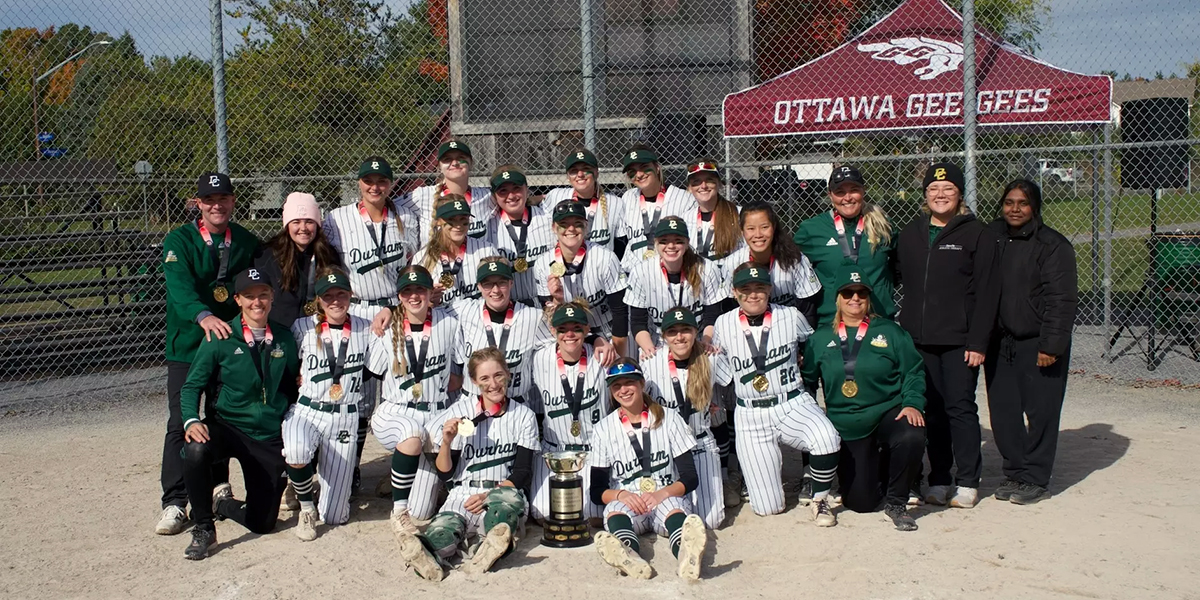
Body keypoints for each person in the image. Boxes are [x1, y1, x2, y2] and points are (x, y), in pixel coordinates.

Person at [157, 172, 259, 535]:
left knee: (221, 417)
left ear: (233, 201)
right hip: (188, 345)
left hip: (227, 347)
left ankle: (217, 486)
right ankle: (174, 501)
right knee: (180, 422)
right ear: (197, 204)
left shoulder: (246, 241)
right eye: (209, 200)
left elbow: (261, 284)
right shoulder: (179, 240)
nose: (217, 206)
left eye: (224, 199)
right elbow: (180, 290)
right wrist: (204, 317)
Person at [895, 162, 1000, 509]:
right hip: (918, 339)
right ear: (925, 195)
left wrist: (978, 342)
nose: (940, 195)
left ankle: (968, 480)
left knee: (960, 408)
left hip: (959, 341)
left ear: (959, 193)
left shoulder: (977, 234)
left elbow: (987, 293)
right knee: (933, 410)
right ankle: (939, 477)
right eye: (933, 190)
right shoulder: (910, 233)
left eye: (948, 189)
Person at [179, 268, 300, 560]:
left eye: (263, 295)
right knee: (196, 448)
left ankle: (223, 505)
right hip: (229, 426)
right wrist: (191, 420)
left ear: (272, 297)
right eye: (249, 296)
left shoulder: (285, 337)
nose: (256, 302)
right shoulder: (220, 336)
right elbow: (191, 386)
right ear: (237, 299)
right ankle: (204, 527)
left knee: (263, 523)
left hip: (268, 434)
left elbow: (295, 383)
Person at [711, 263, 842, 523]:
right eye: (745, 289)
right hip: (750, 413)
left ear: (769, 289)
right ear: (735, 292)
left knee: (827, 437)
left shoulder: (791, 315)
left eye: (759, 288)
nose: (753, 294)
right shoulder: (723, 323)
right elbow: (721, 369)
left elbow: (810, 346)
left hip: (791, 401)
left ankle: (820, 499)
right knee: (768, 507)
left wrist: (803, 360)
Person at [396, 348, 540, 580]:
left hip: (502, 490)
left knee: (503, 513)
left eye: (498, 375)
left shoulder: (523, 415)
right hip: (463, 491)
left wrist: (487, 496)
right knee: (444, 527)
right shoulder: (461, 411)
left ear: (508, 375)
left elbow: (523, 472)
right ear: (473, 381)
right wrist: (446, 442)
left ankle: (488, 549)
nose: (493, 384)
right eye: (484, 378)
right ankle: (429, 556)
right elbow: (446, 473)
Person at [801, 267, 926, 531]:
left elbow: (913, 370)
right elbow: (807, 381)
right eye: (848, 292)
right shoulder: (821, 338)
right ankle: (879, 467)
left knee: (912, 432)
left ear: (868, 298)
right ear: (838, 298)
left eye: (861, 293)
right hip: (846, 423)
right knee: (861, 503)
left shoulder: (890, 331)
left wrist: (913, 402)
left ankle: (896, 502)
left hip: (885, 412)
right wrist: (810, 418)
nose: (854, 298)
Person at [324, 156, 420, 494]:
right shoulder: (337, 219)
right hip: (360, 312)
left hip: (397, 311)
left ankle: (403, 466)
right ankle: (349, 470)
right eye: (368, 180)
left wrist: (398, 306)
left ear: (391, 184)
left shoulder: (406, 216)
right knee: (358, 398)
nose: (374, 186)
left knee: (403, 391)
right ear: (359, 183)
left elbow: (414, 265)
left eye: (381, 180)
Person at [985, 179, 1078, 505]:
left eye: (1022, 203)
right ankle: (1015, 471)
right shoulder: (994, 238)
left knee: (1040, 412)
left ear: (1034, 207)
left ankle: (1036, 478)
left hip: (1038, 342)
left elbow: (1061, 300)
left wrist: (1051, 345)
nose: (1014, 208)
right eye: (1009, 202)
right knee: (1004, 412)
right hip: (1001, 342)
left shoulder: (1052, 246)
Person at [588, 359, 707, 581]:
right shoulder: (603, 428)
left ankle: (686, 555)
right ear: (611, 391)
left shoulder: (669, 418)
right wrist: (621, 495)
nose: (623, 390)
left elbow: (690, 478)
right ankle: (629, 554)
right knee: (614, 510)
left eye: (629, 383)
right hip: (629, 499)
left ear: (642, 383)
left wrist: (662, 493)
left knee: (674, 510)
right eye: (616, 385)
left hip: (664, 495)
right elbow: (597, 491)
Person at [282, 269, 376, 540]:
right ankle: (306, 507)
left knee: (336, 516)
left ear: (350, 295)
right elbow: (287, 364)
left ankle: (324, 493)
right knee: (297, 451)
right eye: (328, 296)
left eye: (341, 294)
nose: (335, 301)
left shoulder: (364, 327)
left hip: (345, 415)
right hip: (309, 410)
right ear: (319, 300)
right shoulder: (301, 326)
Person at [368, 265, 461, 530]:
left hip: (434, 410)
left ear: (431, 291)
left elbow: (462, 368)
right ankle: (398, 513)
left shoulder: (450, 323)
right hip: (396, 411)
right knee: (410, 434)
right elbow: (371, 371)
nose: (414, 296)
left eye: (420, 289)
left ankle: (404, 476)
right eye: (406, 291)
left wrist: (455, 381)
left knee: (421, 510)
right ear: (398, 296)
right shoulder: (386, 327)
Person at [642, 307, 734, 529]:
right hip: (666, 447)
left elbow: (734, 387)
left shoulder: (710, 358)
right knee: (662, 514)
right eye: (672, 332)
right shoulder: (651, 361)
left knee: (711, 521)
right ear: (664, 336)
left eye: (685, 330)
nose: (680, 337)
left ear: (696, 331)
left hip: (700, 442)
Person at [528, 302, 611, 522]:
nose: (570, 334)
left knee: (594, 513)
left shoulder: (602, 356)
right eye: (563, 329)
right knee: (542, 512)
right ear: (554, 331)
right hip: (555, 451)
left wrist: (598, 339)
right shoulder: (539, 358)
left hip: (593, 450)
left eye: (577, 328)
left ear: (586, 330)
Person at [793, 165, 898, 326]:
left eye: (854, 190)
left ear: (863, 191)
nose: (847, 197)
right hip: (831, 322)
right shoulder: (812, 229)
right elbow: (790, 265)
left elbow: (898, 267)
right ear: (830, 195)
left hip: (878, 320)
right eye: (840, 192)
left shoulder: (883, 225)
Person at [535, 201, 629, 352]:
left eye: (577, 223)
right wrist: (556, 300)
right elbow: (550, 320)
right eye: (564, 224)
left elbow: (620, 311)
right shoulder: (542, 264)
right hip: (569, 334)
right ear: (554, 227)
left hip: (607, 328)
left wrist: (619, 355)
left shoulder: (605, 258)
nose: (571, 229)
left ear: (586, 226)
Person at [627, 216, 724, 357]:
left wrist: (705, 342)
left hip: (697, 341)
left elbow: (712, 316)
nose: (671, 246)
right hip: (657, 343)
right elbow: (638, 321)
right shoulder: (641, 272)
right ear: (655, 243)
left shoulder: (707, 269)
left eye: (678, 241)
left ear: (687, 243)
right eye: (664, 241)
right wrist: (649, 349)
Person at [723, 201, 821, 328]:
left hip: (788, 329)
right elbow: (729, 306)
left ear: (773, 227)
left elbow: (808, 308)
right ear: (742, 231)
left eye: (764, 227)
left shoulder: (794, 259)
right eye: (751, 228)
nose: (758, 234)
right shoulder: (732, 263)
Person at [254, 192, 343, 328]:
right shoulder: (269, 255)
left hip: (318, 329)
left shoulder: (328, 254)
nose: (303, 228)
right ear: (287, 225)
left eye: (309, 221)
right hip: (281, 330)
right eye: (296, 222)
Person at [480, 165, 554, 306]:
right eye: (503, 191)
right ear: (495, 195)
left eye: (516, 189)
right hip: (511, 307)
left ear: (526, 189)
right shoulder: (489, 226)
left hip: (547, 301)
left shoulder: (546, 218)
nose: (511, 196)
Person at [616, 144, 698, 272]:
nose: (639, 175)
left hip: (669, 272)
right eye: (632, 172)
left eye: (644, 167)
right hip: (633, 272)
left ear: (657, 167)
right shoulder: (628, 198)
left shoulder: (683, 199)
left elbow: (691, 242)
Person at [412, 195, 499, 316]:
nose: (458, 225)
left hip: (480, 322)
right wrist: (428, 301)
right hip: (443, 324)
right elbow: (414, 306)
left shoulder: (486, 250)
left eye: (463, 219)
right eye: (451, 220)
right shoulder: (422, 258)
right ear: (438, 221)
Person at [398, 139, 491, 244]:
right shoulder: (423, 195)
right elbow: (389, 206)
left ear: (471, 163)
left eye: (461, 158)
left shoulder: (486, 196)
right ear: (439, 166)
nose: (455, 163)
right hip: (433, 260)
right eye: (447, 159)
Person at [541, 149, 625, 252]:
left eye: (586, 169)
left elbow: (621, 245)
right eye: (574, 171)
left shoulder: (615, 203)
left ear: (596, 173)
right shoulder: (555, 196)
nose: (580, 174)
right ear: (568, 176)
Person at [684, 158, 744, 283]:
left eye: (709, 180)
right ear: (689, 187)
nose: (703, 186)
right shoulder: (684, 219)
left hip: (732, 285)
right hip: (697, 285)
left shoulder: (738, 214)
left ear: (719, 183)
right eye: (696, 182)